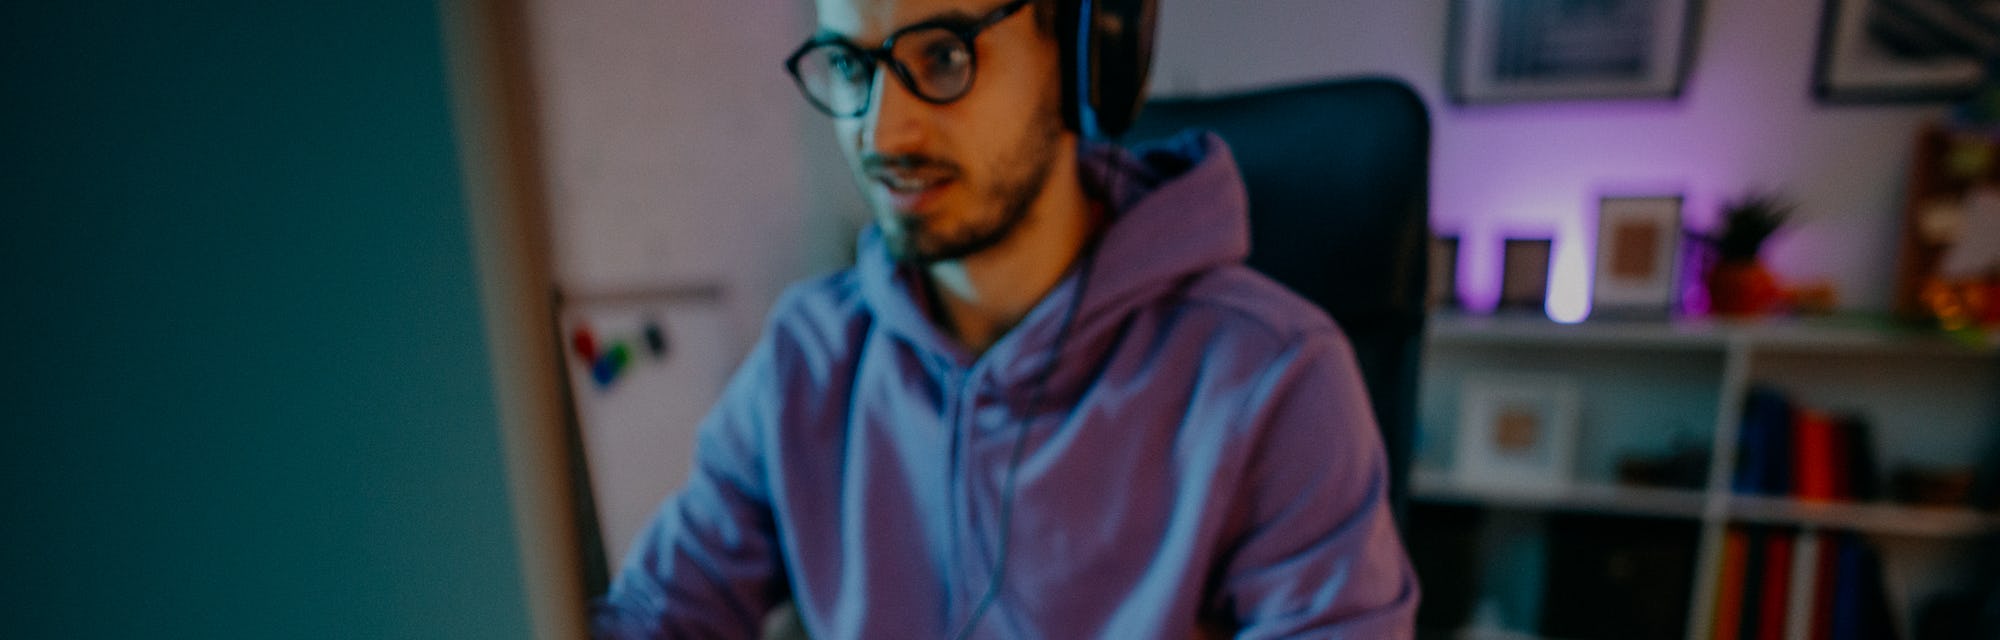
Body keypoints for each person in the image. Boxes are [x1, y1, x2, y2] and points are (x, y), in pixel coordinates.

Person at [591, 0, 1419, 636]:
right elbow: (659, 614)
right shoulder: (807, 357)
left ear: (1086, 58)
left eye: (944, 55)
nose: (883, 130)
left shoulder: (1273, 375)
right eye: (850, 65)